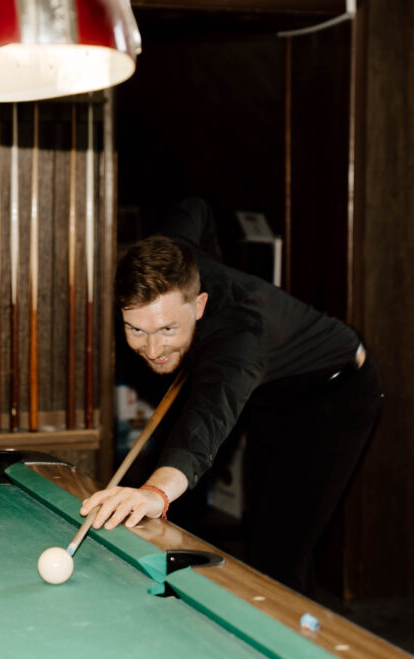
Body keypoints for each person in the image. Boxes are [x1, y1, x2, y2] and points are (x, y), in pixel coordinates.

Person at [81, 198, 383, 594]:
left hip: (334, 394)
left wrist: (155, 492)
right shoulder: (170, 253)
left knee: (281, 551)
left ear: (200, 303)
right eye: (137, 330)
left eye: (168, 329)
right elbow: (197, 208)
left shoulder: (239, 337)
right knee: (262, 528)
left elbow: (204, 425)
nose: (153, 350)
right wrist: (214, 269)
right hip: (271, 394)